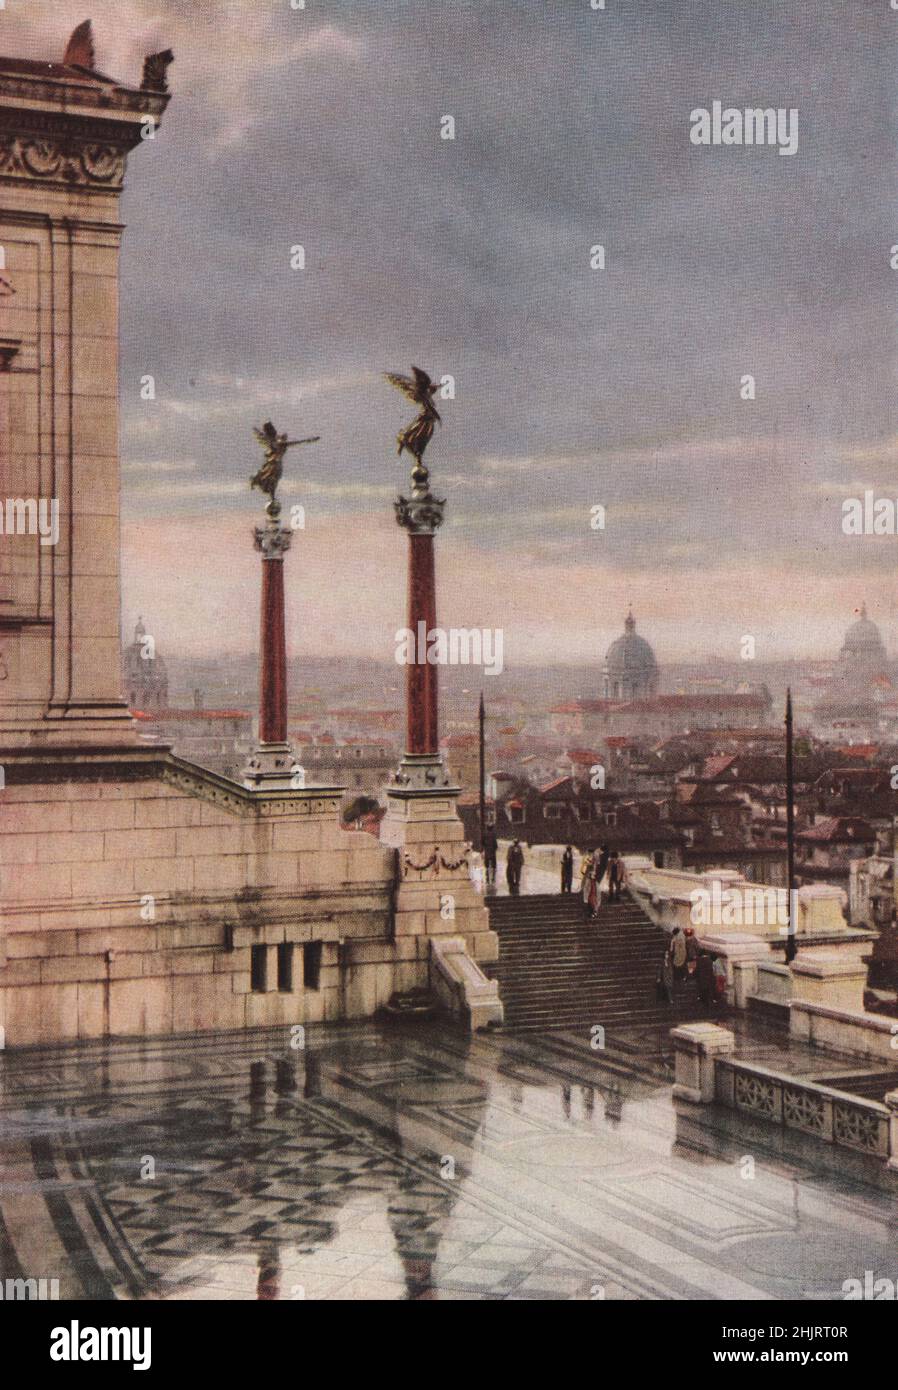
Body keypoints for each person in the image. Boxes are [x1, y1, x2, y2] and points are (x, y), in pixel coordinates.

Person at [580, 849, 594, 919]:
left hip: (590, 872)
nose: (590, 854)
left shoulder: (593, 858)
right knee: (585, 882)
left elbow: (594, 865)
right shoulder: (587, 857)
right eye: (590, 853)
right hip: (588, 871)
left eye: (591, 853)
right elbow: (584, 864)